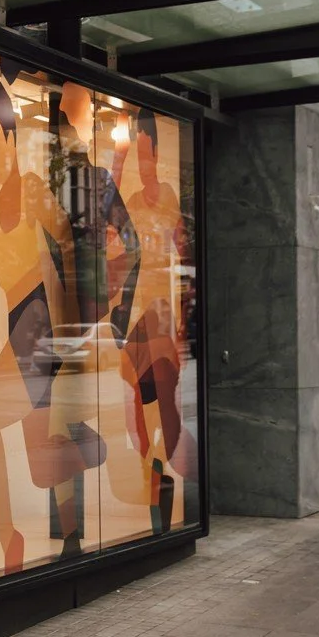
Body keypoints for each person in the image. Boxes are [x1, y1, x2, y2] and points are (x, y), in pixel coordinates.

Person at [0, 78, 93, 575]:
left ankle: (20, 538)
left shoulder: (36, 191)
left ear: (16, 141)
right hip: (20, 328)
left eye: (1, 143)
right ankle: (67, 537)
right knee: (42, 456)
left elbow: (71, 248)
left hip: (41, 324)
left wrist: (72, 328)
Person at [116, 108, 198, 533]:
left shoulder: (168, 197)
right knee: (141, 407)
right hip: (137, 316)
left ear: (159, 155)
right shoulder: (130, 202)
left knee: (162, 404)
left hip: (160, 314)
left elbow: (183, 260)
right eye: (139, 156)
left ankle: (161, 483)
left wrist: (182, 320)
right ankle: (155, 477)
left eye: (148, 155)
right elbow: (119, 251)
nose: (144, 164)